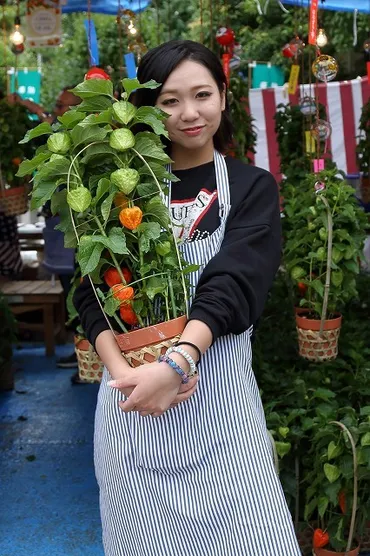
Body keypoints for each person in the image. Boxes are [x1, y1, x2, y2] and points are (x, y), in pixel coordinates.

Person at [73, 40, 301, 555]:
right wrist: (124, 375)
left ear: (224, 96)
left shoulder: (250, 186)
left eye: (201, 95)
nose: (189, 113)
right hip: (130, 415)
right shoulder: (121, 190)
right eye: (170, 101)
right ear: (146, 109)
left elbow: (235, 283)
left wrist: (175, 365)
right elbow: (90, 290)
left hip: (220, 417)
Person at [7, 87, 83, 373]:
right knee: (71, 293)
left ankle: (85, 357)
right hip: (62, 232)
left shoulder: (76, 140)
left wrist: (33, 107)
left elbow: (49, 126)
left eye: (62, 107)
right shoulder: (62, 138)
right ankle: (81, 355)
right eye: (57, 106)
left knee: (80, 295)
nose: (58, 112)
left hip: (76, 233)